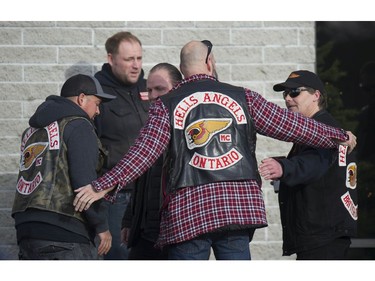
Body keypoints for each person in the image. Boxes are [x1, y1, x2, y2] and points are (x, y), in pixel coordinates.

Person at [73, 40, 357, 260]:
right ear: (209, 62)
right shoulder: (243, 97)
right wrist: (338, 135)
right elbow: (292, 126)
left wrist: (102, 186)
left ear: (183, 70)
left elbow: (142, 154)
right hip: (237, 211)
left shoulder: (166, 105)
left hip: (188, 212)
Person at [11, 74, 116, 260]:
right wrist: (101, 227)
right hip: (65, 231)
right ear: (82, 99)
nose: (98, 111)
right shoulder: (79, 125)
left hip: (26, 231)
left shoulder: (33, 130)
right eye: (97, 103)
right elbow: (84, 183)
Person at [258, 70, 358, 260]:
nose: (288, 98)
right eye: (285, 94)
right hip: (324, 235)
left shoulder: (325, 130)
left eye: (295, 92)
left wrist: (284, 168)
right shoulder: (321, 129)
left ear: (316, 96)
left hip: (323, 237)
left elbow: (315, 162)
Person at [94, 31, 150, 260]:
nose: (136, 65)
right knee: (120, 258)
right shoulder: (97, 94)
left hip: (150, 194)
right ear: (111, 59)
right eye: (129, 59)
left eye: (139, 58)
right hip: (117, 197)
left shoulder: (149, 88)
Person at [121, 62, 182, 260]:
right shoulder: (148, 126)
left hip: (176, 235)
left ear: (177, 88)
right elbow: (140, 178)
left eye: (160, 89)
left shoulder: (188, 129)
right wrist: (130, 220)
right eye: (149, 90)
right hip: (145, 234)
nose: (154, 95)